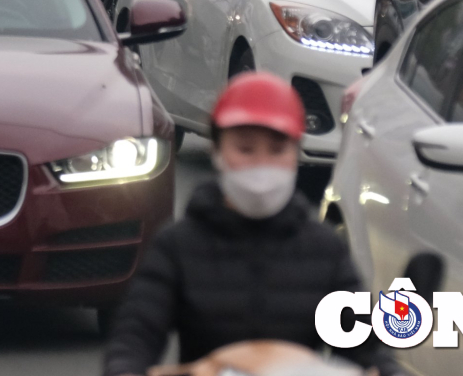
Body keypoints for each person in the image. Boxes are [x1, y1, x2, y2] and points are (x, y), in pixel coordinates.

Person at [102, 73, 396, 376]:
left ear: (295, 155)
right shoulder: (178, 246)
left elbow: (365, 345)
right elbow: (135, 335)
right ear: (216, 151)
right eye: (245, 149)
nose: (261, 163)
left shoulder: (325, 250)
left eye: (277, 150)